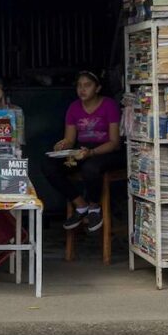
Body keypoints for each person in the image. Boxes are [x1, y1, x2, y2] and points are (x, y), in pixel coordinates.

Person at [41, 71, 124, 233]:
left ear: (98, 88)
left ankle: (94, 208)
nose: (82, 90)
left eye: (87, 85)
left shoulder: (109, 105)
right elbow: (70, 140)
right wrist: (63, 145)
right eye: (79, 86)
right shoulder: (74, 108)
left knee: (90, 168)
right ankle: (80, 205)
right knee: (49, 165)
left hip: (106, 152)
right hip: (82, 151)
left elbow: (114, 142)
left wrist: (92, 153)